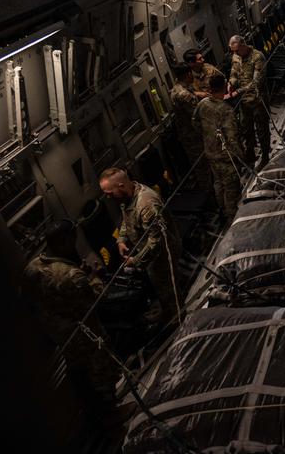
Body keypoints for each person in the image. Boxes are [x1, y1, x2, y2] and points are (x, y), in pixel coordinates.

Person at [23, 220, 120, 427]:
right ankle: (112, 415)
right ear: (65, 241)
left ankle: (91, 414)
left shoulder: (31, 269)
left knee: (79, 374)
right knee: (100, 370)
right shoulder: (71, 275)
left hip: (59, 334)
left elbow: (31, 300)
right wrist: (93, 276)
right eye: (73, 240)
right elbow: (95, 300)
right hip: (84, 333)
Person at [99, 167, 184, 325]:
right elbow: (127, 217)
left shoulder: (146, 204)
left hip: (163, 254)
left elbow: (156, 241)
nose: (108, 198)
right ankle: (169, 312)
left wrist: (136, 261)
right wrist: (121, 239)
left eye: (109, 193)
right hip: (150, 256)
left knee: (169, 289)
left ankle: (179, 320)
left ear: (121, 186)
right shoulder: (126, 197)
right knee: (160, 287)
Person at [194, 74, 244, 221]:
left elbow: (195, 122)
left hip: (210, 153)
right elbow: (233, 138)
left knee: (218, 183)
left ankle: (222, 209)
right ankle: (232, 217)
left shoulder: (202, 103)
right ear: (224, 87)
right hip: (226, 157)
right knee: (230, 187)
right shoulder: (226, 110)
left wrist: (207, 137)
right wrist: (240, 157)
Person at [228, 35, 270, 168]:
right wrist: (231, 83)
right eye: (233, 51)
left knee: (262, 129)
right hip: (244, 101)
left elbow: (257, 82)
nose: (235, 53)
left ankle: (265, 156)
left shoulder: (257, 57)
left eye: (237, 50)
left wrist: (237, 92)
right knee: (247, 129)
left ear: (243, 45)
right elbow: (234, 73)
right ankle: (250, 152)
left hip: (258, 99)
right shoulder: (236, 56)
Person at [169, 63, 212, 189]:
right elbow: (197, 116)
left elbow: (190, 93)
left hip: (187, 135)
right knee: (203, 168)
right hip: (194, 137)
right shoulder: (184, 95)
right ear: (188, 74)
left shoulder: (177, 87)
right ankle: (212, 197)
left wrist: (199, 94)